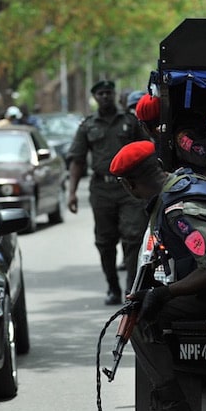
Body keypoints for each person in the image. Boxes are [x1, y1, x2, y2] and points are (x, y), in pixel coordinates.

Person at [108, 140, 206, 411]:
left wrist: (165, 293)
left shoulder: (178, 208)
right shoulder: (188, 182)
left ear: (128, 184)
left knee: (137, 320)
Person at [67, 79, 145, 305]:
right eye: (100, 93)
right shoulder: (88, 125)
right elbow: (77, 160)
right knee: (105, 241)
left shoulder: (130, 122)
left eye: (108, 93)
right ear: (95, 97)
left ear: (114, 95)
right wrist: (71, 193)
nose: (104, 97)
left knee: (133, 237)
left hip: (129, 187)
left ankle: (132, 287)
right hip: (101, 189)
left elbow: (145, 152)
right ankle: (112, 287)